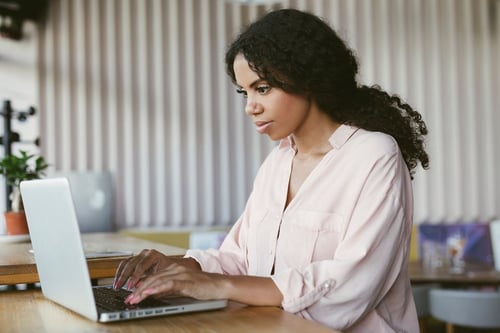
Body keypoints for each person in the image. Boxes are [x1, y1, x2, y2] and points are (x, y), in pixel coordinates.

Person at [113, 8, 429, 332]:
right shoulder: (275, 165)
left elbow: (351, 284)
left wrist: (219, 287)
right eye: (244, 92)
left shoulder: (374, 156)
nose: (250, 106)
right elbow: (240, 259)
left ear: (308, 78)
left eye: (262, 88)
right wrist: (180, 267)